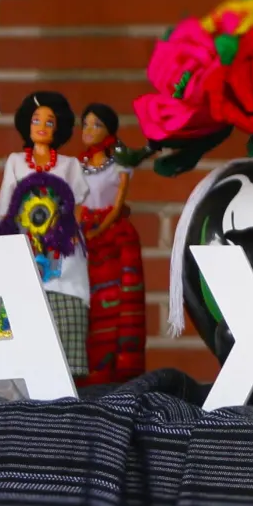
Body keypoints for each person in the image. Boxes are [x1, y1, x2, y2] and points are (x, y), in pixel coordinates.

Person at [0, 91, 90, 378]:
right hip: (24, 241)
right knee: (22, 300)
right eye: (36, 120)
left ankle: (63, 372)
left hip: (59, 244)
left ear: (58, 128)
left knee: (63, 295)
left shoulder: (70, 165)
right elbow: (5, 206)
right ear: (27, 123)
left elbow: (78, 205)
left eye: (49, 122)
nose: (42, 126)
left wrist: (68, 231)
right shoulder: (15, 161)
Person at [75, 103, 146, 385]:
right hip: (84, 238)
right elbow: (77, 204)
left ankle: (117, 370)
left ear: (109, 131)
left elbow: (117, 205)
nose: (89, 130)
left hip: (113, 239)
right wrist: (80, 232)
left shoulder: (119, 166)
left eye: (97, 125)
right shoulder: (77, 167)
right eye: (86, 124)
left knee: (115, 303)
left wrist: (98, 230)